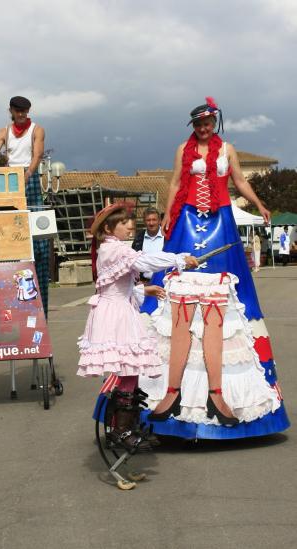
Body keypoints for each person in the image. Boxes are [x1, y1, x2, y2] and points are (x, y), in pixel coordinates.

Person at [140, 97, 289, 439]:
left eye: (208, 124)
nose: (203, 129)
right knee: (178, 292)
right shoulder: (183, 149)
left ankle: (220, 393)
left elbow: (239, 182)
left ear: (215, 123)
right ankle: (171, 390)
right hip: (188, 222)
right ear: (193, 127)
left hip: (221, 221)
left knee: (224, 298)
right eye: (198, 125)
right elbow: (176, 183)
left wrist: (260, 204)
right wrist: (167, 215)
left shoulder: (228, 150)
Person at [77, 202, 198, 452]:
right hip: (116, 315)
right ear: (109, 228)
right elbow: (146, 262)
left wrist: (145, 289)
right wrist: (179, 259)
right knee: (129, 368)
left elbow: (120, 285)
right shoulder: (116, 250)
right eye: (123, 223)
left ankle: (124, 426)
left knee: (130, 370)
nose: (129, 225)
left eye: (129, 221)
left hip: (119, 309)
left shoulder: (112, 249)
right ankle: (121, 430)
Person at [0, 96, 50, 317]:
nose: (22, 115)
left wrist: (27, 174)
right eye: (18, 111)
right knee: (9, 232)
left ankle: (40, 304)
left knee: (35, 232)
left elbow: (37, 155)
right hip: (9, 180)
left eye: (25, 111)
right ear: (11, 110)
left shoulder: (37, 130)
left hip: (28, 178)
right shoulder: (4, 132)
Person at [132, 207, 164, 281]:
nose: (151, 223)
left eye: (154, 220)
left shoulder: (167, 236)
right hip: (144, 283)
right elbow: (133, 261)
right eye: (148, 220)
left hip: (164, 282)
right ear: (144, 221)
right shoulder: (139, 238)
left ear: (159, 221)